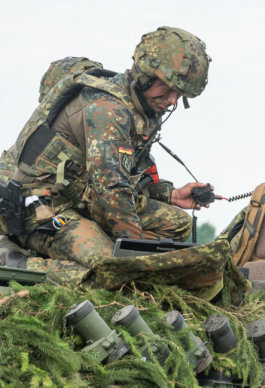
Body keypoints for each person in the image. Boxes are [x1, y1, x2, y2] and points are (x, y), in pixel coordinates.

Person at [0, 27, 212, 271]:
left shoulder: (141, 109)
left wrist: (171, 195)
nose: (173, 100)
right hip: (41, 204)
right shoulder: (108, 110)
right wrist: (135, 258)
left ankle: (96, 251)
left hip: (81, 199)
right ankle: (17, 261)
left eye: (180, 93)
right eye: (168, 89)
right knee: (108, 266)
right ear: (145, 77)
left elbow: (130, 178)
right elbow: (112, 191)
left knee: (177, 224)